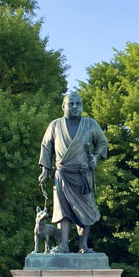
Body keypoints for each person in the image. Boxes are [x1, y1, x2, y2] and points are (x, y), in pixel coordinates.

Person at [38, 92, 108, 253]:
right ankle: (63, 245)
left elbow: (103, 143)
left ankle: (83, 246)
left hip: (83, 175)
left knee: (86, 209)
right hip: (62, 174)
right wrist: (44, 170)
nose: (75, 107)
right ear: (63, 106)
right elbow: (46, 147)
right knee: (63, 210)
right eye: (71, 104)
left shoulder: (90, 124)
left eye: (78, 104)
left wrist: (95, 159)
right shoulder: (55, 125)